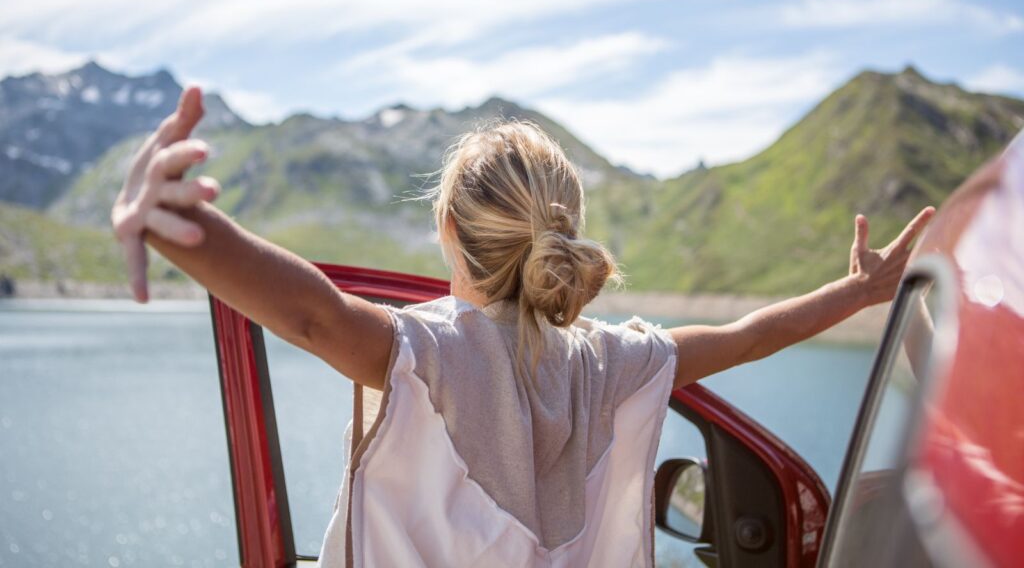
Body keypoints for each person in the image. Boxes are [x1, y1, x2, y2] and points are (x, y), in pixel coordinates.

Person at [112, 87, 934, 567]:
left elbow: (310, 313)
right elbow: (750, 335)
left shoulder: (426, 353)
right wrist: (857, 294)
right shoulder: (614, 361)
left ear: (447, 228)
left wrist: (182, 223)